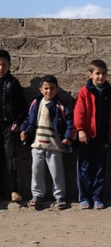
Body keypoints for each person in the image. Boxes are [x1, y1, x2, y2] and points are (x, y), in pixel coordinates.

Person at [20, 75, 74, 210]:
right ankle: (37, 195)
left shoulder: (61, 105)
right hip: (37, 144)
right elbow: (29, 119)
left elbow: (70, 123)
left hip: (54, 145)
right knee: (36, 170)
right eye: (46, 88)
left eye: (52, 88)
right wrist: (24, 130)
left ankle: (60, 196)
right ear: (40, 89)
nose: (49, 91)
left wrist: (68, 137)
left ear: (57, 89)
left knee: (57, 172)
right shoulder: (36, 103)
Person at [73, 59, 111, 210]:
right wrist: (80, 129)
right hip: (87, 136)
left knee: (100, 167)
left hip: (103, 136)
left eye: (104, 73)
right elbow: (79, 112)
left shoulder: (110, 93)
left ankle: (98, 197)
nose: (101, 77)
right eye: (97, 73)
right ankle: (85, 197)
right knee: (84, 167)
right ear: (90, 74)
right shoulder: (84, 92)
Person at [0, 49, 27, 205]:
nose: (1, 68)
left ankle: (13, 190)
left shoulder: (13, 83)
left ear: (9, 65)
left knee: (11, 158)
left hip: (9, 126)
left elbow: (21, 106)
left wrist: (17, 121)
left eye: (4, 64)